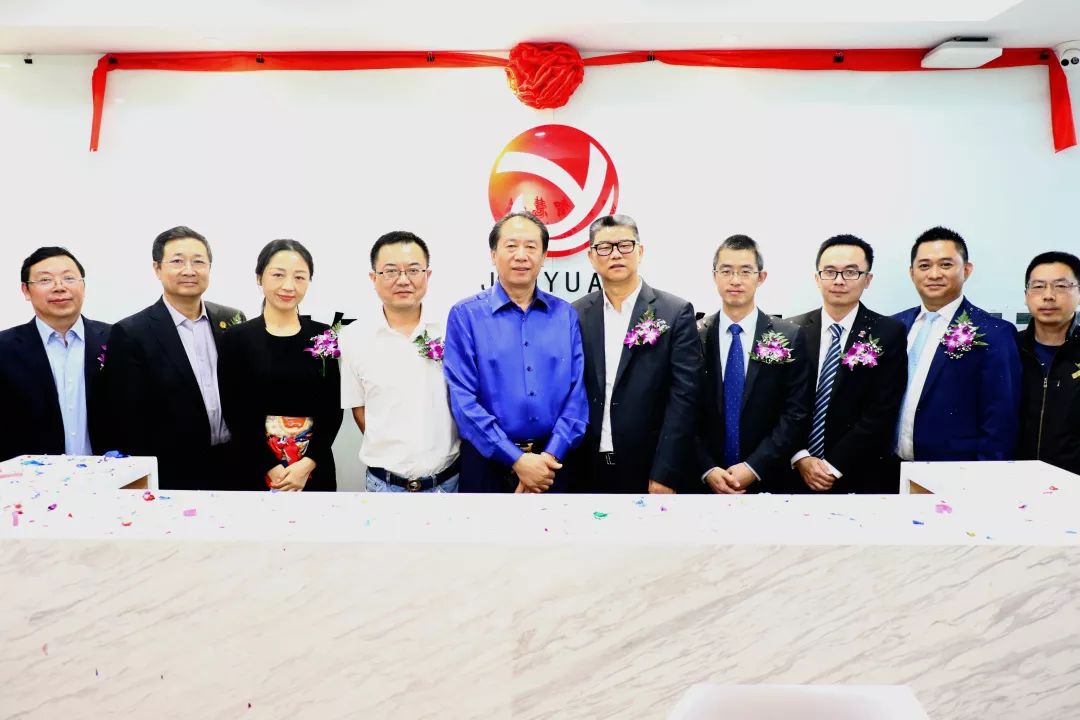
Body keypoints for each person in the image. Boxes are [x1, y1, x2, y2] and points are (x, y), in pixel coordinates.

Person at [443, 211, 588, 493]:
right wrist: (517, 460)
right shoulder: (466, 315)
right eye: (511, 246)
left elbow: (577, 395)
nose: (521, 255)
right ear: (493, 255)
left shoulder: (565, 315)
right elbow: (463, 400)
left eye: (531, 247)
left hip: (552, 466)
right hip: (486, 464)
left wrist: (548, 458)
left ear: (544, 257)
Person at [102, 226, 246, 490]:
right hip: (172, 471)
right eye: (177, 261)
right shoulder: (131, 332)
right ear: (157, 269)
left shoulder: (232, 319)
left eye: (199, 261)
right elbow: (126, 417)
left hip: (234, 465)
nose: (189, 270)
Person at [570, 214, 702, 494]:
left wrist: (666, 471)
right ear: (591, 257)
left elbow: (684, 398)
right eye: (604, 247)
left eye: (625, 245)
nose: (615, 254)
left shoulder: (674, 313)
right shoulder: (576, 313)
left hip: (649, 468)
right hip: (584, 466)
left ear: (640, 251)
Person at [338, 231, 460, 493]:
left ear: (427, 275)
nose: (403, 280)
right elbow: (359, 409)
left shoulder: (452, 329)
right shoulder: (354, 338)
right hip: (384, 484)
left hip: (449, 482)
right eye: (391, 271)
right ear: (373, 278)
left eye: (413, 270)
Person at [785, 235, 907, 494]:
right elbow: (778, 402)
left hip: (857, 471)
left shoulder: (888, 332)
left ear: (868, 279)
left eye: (851, 272)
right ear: (817, 278)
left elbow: (882, 409)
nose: (839, 280)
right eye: (830, 272)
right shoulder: (791, 330)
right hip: (792, 469)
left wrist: (833, 465)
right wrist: (800, 457)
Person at [219, 239, 343, 491]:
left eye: (299, 277)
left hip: (313, 468)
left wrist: (307, 463)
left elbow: (333, 407)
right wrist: (269, 465)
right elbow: (234, 411)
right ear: (259, 277)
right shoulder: (236, 338)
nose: (289, 286)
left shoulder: (322, 335)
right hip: (253, 466)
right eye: (278, 275)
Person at [892, 226, 1021, 465]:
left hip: (954, 469)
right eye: (924, 266)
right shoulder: (895, 326)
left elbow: (1000, 418)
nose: (934, 274)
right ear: (912, 273)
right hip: (890, 467)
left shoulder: (994, 333)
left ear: (967, 270)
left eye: (945, 265)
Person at [697, 234, 812, 493]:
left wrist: (754, 467)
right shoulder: (694, 335)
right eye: (726, 271)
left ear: (761, 277)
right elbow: (681, 409)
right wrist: (707, 468)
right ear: (714, 276)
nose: (735, 280)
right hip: (704, 480)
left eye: (745, 271)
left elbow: (795, 412)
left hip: (768, 478)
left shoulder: (789, 336)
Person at [0, 247, 111, 460]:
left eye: (69, 278)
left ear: (83, 286)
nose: (60, 287)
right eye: (45, 280)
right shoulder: (4, 349)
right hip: (29, 475)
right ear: (26, 290)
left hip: (110, 472)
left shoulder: (116, 339)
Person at [1016, 251, 1080, 475]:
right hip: (1012, 477)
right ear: (1026, 295)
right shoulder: (1009, 350)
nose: (1049, 296)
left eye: (1061, 286)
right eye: (1038, 286)